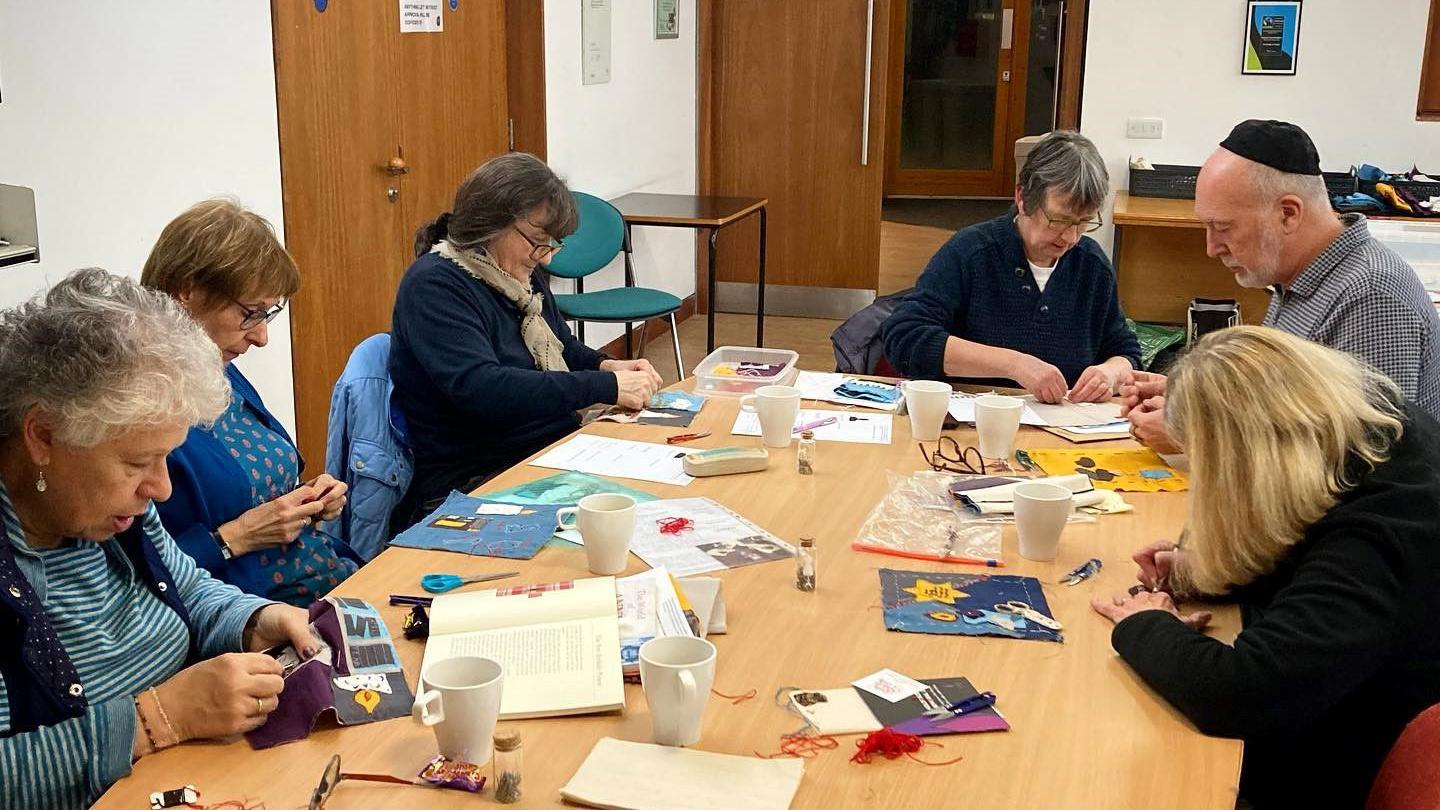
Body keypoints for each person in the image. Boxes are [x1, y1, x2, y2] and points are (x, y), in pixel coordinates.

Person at [0, 269, 318, 810]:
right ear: (43, 437)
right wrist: (157, 719)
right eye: (137, 462)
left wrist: (254, 619)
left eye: (166, 456)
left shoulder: (111, 514)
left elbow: (186, 587)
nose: (162, 487)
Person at [1092, 326, 1440, 810]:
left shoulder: (1376, 538)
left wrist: (1144, 624)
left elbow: (1239, 694)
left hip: (1351, 761)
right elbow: (1306, 539)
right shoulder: (1372, 429)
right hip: (1349, 692)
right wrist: (1214, 568)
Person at [1125, 119, 1440, 452]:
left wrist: (1199, 436)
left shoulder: (1371, 295)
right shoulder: (1296, 274)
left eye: (1224, 228)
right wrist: (1195, 399)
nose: (1212, 248)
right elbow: (1291, 408)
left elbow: (1363, 456)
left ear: (1288, 214)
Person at [389, 153, 662, 530]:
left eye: (552, 243)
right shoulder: (435, 285)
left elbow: (562, 346)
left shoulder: (516, 271)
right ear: (489, 224)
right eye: (537, 241)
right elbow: (483, 388)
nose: (546, 255)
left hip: (547, 450)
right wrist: (605, 386)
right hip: (478, 476)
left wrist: (606, 365)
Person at [141, 199, 358, 606]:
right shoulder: (138, 406)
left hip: (324, 576)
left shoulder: (219, 369)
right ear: (187, 291)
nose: (261, 337)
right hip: (252, 615)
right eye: (250, 313)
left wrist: (307, 499)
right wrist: (234, 538)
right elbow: (133, 581)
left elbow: (254, 488)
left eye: (267, 314)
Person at [882, 130, 1141, 403]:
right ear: (1022, 198)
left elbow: (1125, 350)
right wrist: (1015, 365)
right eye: (1059, 220)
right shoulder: (972, 253)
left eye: (1083, 222)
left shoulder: (1092, 266)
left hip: (1063, 433)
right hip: (971, 428)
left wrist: (1110, 373)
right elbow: (906, 337)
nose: (1071, 238)